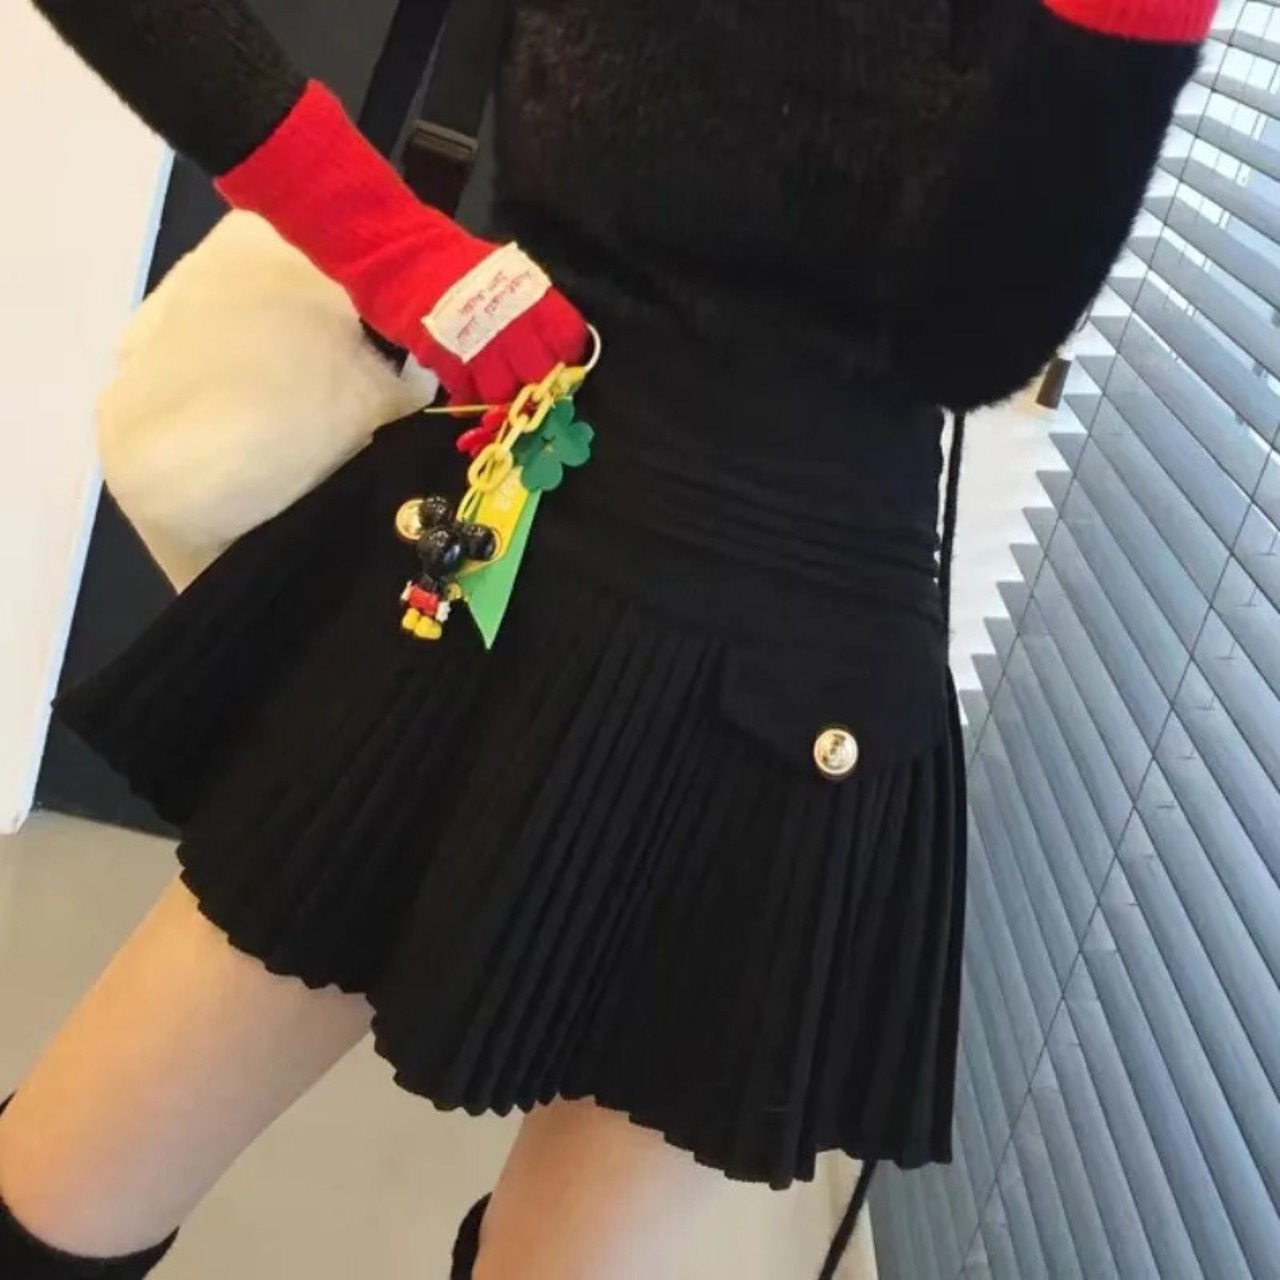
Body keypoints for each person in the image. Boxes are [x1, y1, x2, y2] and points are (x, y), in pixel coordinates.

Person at [0, 1, 1211, 1277]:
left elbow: (971, 337)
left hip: (798, 684)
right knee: (53, 1203)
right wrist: (385, 245)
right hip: (504, 557)